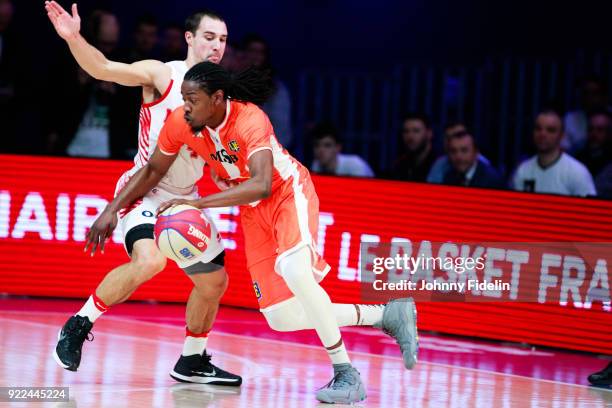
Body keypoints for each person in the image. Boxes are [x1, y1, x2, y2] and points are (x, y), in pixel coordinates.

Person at [86, 61, 419, 404]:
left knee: (295, 271)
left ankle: (346, 373)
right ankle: (387, 315)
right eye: (183, 99)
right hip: (252, 209)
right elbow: (154, 168)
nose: (185, 107)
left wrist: (198, 205)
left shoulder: (250, 118)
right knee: (281, 317)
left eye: (192, 100)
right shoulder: (181, 123)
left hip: (286, 192)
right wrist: (112, 209)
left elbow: (261, 184)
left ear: (217, 99)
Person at [45, 1, 240, 385]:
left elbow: (218, 165)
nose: (217, 46)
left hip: (183, 199)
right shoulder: (162, 76)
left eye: (222, 40)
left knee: (215, 282)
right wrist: (74, 38)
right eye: (209, 37)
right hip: (143, 192)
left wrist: (230, 180)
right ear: (189, 39)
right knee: (150, 261)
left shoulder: (223, 100)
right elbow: (102, 67)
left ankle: (192, 360)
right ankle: (78, 324)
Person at [513, 109, 596, 197]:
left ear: (562, 135)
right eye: (538, 128)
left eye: (550, 130)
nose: (542, 134)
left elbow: (590, 209)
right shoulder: (523, 171)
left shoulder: (578, 172)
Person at [427, 121, 492, 183]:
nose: (458, 156)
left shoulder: (491, 180)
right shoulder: (448, 177)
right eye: (453, 151)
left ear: (476, 153)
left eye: (464, 150)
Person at [310, 121, 375, 177]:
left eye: (327, 145)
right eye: (316, 145)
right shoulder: (316, 166)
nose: (321, 150)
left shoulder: (355, 165)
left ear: (338, 148)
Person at [391, 113, 437, 182]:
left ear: (429, 133)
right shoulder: (400, 164)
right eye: (406, 131)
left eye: (416, 131)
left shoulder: (439, 165)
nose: (410, 136)